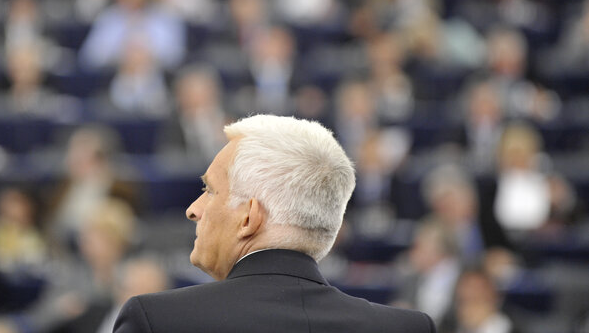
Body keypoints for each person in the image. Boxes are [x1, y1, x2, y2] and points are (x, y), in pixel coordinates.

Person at [113, 114, 436, 333]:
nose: (193, 210)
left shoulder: (158, 322)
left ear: (249, 218)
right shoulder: (406, 329)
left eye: (210, 190)